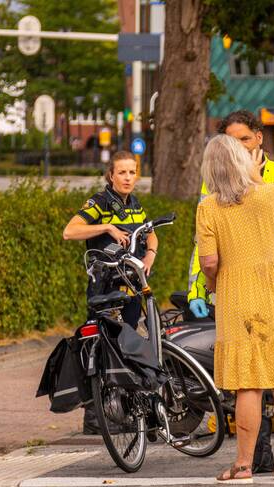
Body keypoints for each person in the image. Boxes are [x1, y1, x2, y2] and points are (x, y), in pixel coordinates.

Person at [188, 110, 274, 475]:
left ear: (259, 138)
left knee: (247, 384)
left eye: (245, 139)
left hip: (237, 293)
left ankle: (244, 464)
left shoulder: (209, 204)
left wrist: (208, 285)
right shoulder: (272, 193)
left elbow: (207, 258)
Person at [62, 151, 155, 435]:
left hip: (131, 286)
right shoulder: (100, 202)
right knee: (101, 348)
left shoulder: (135, 204)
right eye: (122, 172)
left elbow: (150, 232)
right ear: (111, 176)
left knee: (126, 347)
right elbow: (70, 231)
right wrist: (107, 227)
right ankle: (95, 417)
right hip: (105, 288)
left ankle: (124, 410)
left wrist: (150, 255)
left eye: (132, 172)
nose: (128, 177)